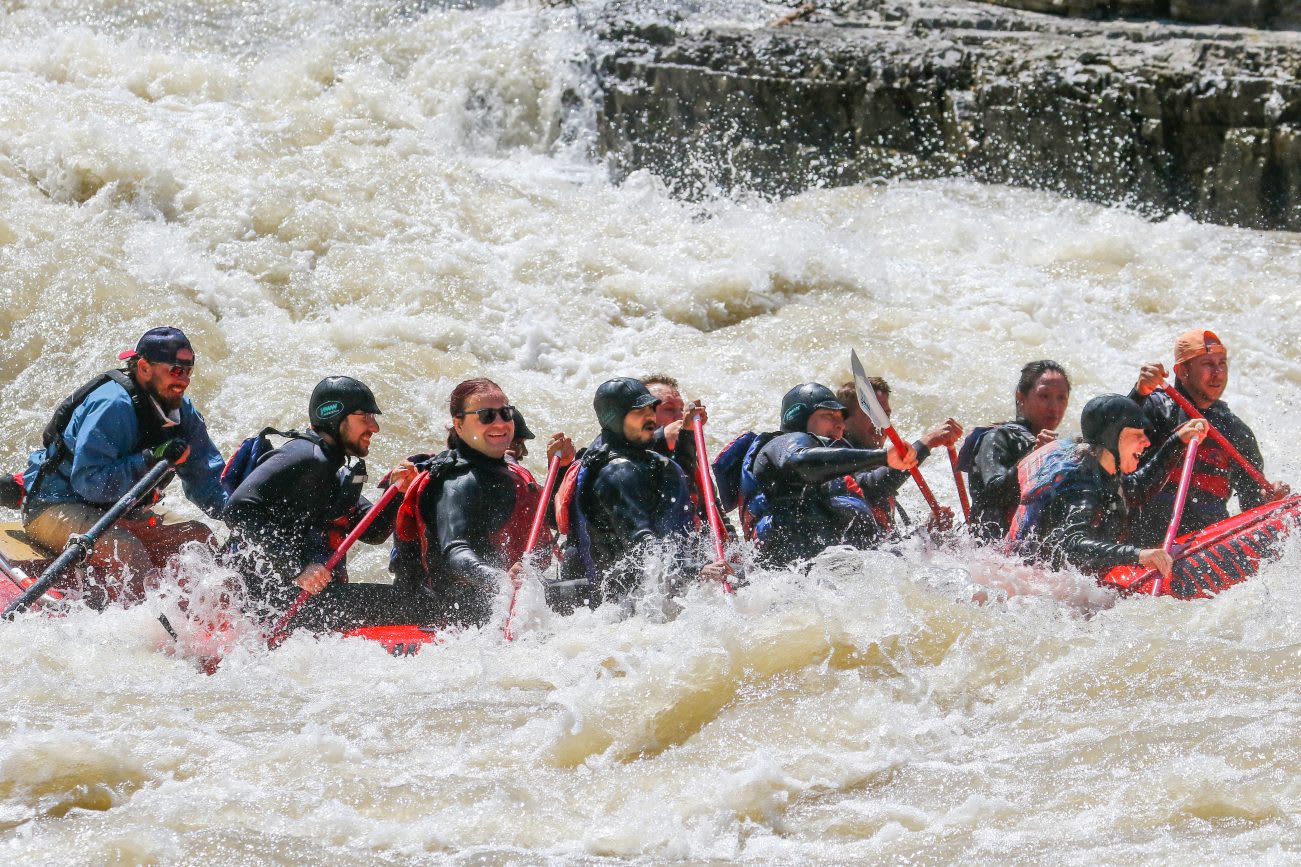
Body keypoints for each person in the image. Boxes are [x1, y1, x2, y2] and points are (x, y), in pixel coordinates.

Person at [20, 327, 226, 606]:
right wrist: (149, 459)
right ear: (143, 368)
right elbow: (89, 483)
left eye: (188, 371)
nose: (184, 380)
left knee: (201, 538)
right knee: (128, 553)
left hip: (118, 510)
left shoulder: (182, 412)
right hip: (55, 505)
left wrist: (240, 512)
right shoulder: (111, 405)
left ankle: (208, 619)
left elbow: (207, 480)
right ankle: (145, 637)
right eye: (176, 371)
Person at [222, 376, 427, 630]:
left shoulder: (335, 473)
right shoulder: (304, 455)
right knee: (419, 605)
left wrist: (398, 491)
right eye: (364, 417)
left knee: (416, 600)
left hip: (303, 601)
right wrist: (297, 568)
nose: (374, 428)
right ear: (334, 417)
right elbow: (237, 509)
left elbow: (372, 532)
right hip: (272, 604)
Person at [389, 379, 576, 627]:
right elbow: (455, 551)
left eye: (505, 413)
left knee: (605, 589)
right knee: (601, 596)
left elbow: (554, 519)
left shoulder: (509, 472)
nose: (499, 423)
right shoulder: (456, 483)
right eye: (486, 416)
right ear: (459, 425)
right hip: (468, 613)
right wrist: (499, 579)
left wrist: (562, 469)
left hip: (512, 599)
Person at [558, 377, 731, 604]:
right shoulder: (616, 473)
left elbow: (679, 492)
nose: (650, 416)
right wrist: (697, 570)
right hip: (628, 600)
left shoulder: (646, 461)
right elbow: (642, 548)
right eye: (640, 411)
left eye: (651, 408)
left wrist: (686, 436)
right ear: (616, 418)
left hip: (661, 589)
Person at [1009, 394, 1204, 577]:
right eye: (1137, 434)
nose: (1146, 442)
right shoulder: (1080, 485)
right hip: (1040, 585)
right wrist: (1138, 555)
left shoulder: (1100, 469)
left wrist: (1177, 441)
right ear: (1113, 438)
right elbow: (1071, 543)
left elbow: (1136, 489)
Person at [1127, 329, 1289, 544]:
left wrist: (1268, 499)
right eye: (1207, 364)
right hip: (1149, 542)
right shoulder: (1152, 408)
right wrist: (1138, 393)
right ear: (1183, 371)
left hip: (1207, 547)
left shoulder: (1236, 431)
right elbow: (1106, 443)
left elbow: (1251, 505)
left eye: (1222, 363)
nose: (1218, 373)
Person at [748, 383, 916, 565]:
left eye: (841, 418)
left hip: (833, 570)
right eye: (828, 415)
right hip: (791, 571)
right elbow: (801, 462)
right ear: (799, 418)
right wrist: (883, 457)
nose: (840, 425)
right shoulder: (785, 443)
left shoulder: (834, 473)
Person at [960, 360, 1071, 541]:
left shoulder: (1058, 448)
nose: (1054, 407)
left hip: (1033, 552)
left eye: (1061, 398)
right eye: (1044, 396)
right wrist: (1034, 456)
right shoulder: (996, 438)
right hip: (993, 550)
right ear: (1021, 396)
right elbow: (994, 493)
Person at [835, 378, 961, 535]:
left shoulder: (878, 469)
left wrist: (927, 532)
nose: (880, 422)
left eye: (885, 414)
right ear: (844, 419)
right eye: (872, 413)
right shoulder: (835, 457)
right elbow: (870, 487)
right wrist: (925, 444)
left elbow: (892, 545)